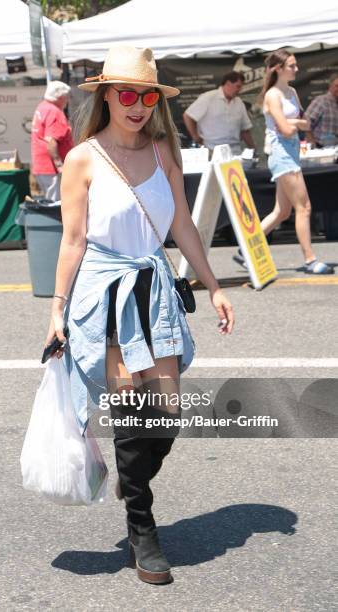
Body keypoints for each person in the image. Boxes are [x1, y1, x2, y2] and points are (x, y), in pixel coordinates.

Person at [43, 45, 234, 585]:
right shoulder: (83, 157)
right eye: (126, 93)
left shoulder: (161, 152)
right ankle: (142, 530)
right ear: (106, 95)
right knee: (132, 413)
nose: (137, 104)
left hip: (154, 289)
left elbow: (183, 228)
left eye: (147, 95)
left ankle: (133, 475)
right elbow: (73, 240)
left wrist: (215, 287)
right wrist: (56, 311)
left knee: (166, 414)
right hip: (106, 293)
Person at [233, 50, 333, 274]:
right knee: (304, 208)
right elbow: (289, 129)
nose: (296, 69)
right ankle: (310, 259)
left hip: (291, 153)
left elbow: (303, 123)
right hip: (282, 156)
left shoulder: (292, 92)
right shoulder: (272, 95)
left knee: (282, 212)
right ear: (278, 69)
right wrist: (296, 124)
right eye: (291, 65)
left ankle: (244, 249)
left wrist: (294, 124)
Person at [183, 71, 256, 155]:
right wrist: (196, 137)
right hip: (212, 150)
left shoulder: (239, 102)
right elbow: (188, 116)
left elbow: (245, 130)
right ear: (228, 83)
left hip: (235, 152)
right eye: (238, 86)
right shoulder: (208, 98)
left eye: (241, 87)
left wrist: (253, 149)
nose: (239, 90)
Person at [31, 81, 74, 201]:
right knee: (56, 205)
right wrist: (60, 165)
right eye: (67, 98)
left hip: (42, 166)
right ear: (60, 97)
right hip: (51, 168)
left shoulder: (42, 107)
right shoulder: (54, 112)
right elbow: (51, 141)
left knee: (51, 202)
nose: (68, 101)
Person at [305, 74, 338, 148]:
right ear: (330, 86)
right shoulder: (321, 101)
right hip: (321, 149)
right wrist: (314, 147)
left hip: (334, 150)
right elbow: (306, 124)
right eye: (337, 86)